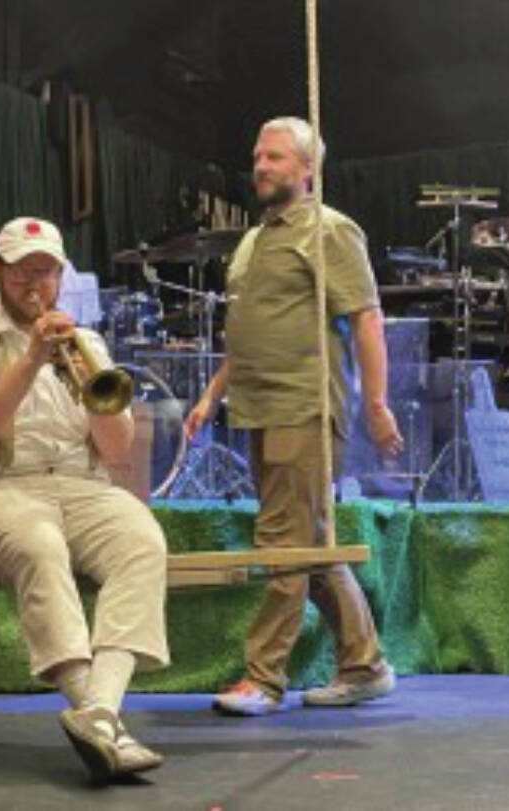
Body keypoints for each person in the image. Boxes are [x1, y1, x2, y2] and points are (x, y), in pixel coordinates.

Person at [0, 216, 169, 781]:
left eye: (47, 271)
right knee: (39, 543)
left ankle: (100, 713)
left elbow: (115, 450)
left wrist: (81, 374)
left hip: (83, 487)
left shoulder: (86, 341)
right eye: (23, 271)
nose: (36, 284)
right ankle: (98, 712)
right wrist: (32, 360)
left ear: (62, 275)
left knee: (143, 538)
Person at [185, 117, 404, 716]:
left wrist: (378, 404)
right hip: (258, 406)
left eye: (275, 156)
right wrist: (210, 395)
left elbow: (366, 317)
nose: (260, 165)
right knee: (307, 543)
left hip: (302, 405)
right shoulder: (257, 240)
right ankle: (365, 664)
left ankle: (264, 677)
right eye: (257, 155)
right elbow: (251, 330)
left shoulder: (329, 231)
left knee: (284, 542)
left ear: (307, 169)